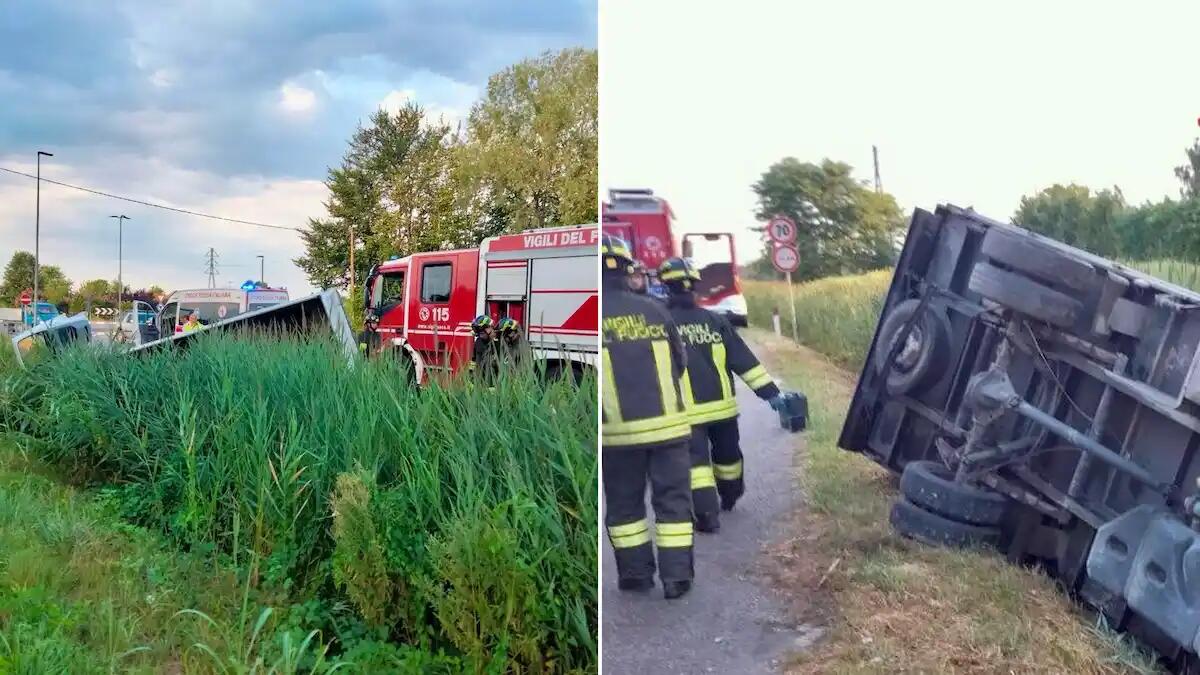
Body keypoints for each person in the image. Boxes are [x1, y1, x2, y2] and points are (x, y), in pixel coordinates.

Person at [658, 256, 791, 532]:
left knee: (696, 466)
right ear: (695, 288)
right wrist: (771, 394)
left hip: (684, 413)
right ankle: (730, 495)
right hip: (723, 409)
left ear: (665, 288)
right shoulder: (715, 321)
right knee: (728, 457)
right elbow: (744, 361)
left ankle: (706, 515)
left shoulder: (660, 325)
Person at [601, 234, 695, 600]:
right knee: (672, 503)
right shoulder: (656, 311)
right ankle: (676, 579)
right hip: (669, 430)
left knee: (625, 506)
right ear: (627, 270)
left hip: (617, 437)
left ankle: (636, 576)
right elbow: (680, 364)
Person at [470, 314, 499, 381]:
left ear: (491, 327)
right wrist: (471, 377)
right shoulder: (478, 342)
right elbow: (473, 360)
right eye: (479, 331)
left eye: (483, 330)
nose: (480, 333)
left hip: (495, 382)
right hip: (480, 381)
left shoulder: (498, 343)